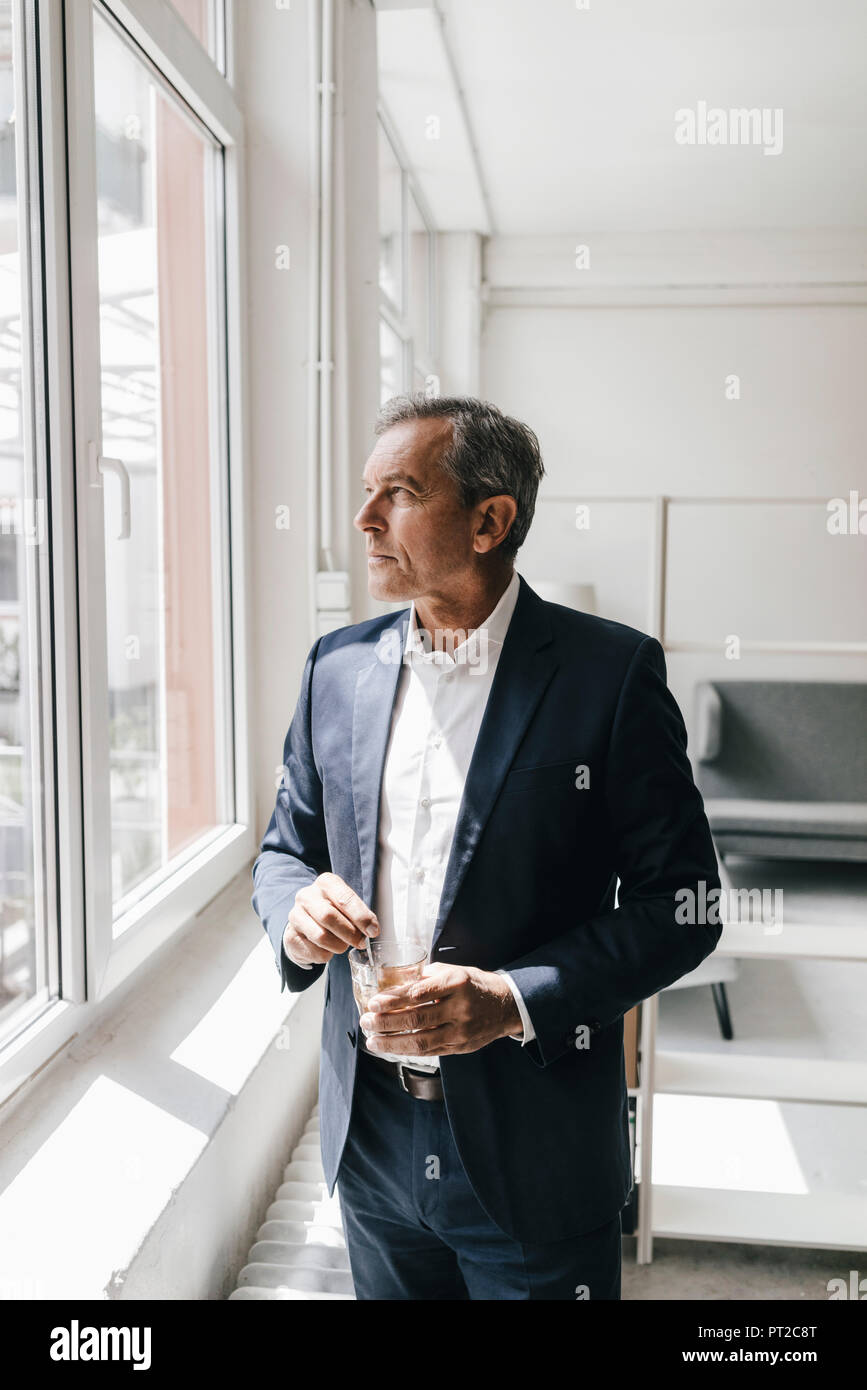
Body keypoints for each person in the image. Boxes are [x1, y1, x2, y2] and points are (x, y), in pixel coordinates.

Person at [251, 394, 722, 1300]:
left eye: (398, 492)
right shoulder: (334, 669)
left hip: (534, 1149)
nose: (364, 519)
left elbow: (683, 907)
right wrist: (296, 908)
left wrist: (509, 1000)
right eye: (366, 491)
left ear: (489, 521)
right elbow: (283, 852)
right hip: (372, 1142)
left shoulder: (609, 674)